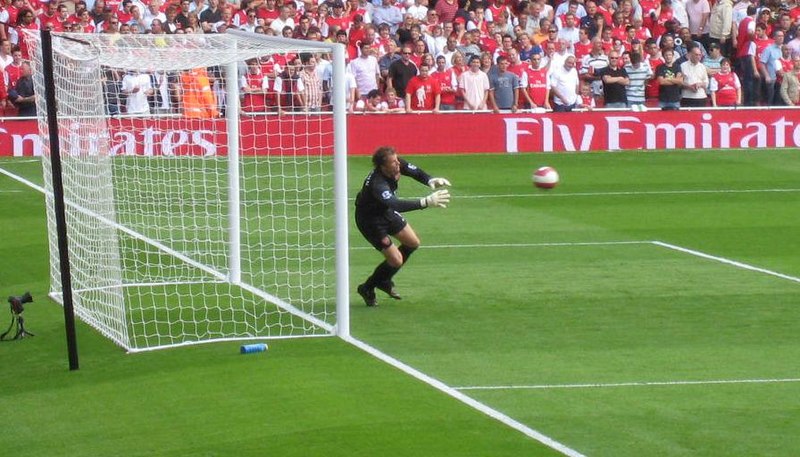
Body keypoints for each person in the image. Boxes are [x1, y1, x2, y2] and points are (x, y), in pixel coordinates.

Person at [354, 146, 451, 306]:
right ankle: (367, 287)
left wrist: (430, 179)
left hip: (385, 212)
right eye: (393, 162)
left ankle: (384, 280)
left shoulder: (397, 165)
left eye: (397, 159)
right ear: (382, 166)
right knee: (396, 260)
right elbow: (396, 204)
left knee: (413, 243)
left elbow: (415, 171)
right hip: (371, 221)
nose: (398, 163)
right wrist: (425, 202)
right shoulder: (378, 184)